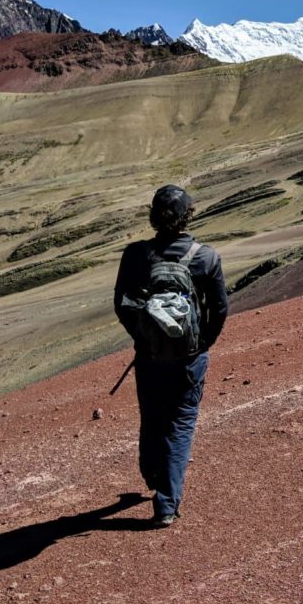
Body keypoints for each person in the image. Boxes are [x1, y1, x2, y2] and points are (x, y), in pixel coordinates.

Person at [114, 185, 228, 528]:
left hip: (149, 357)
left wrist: (144, 337)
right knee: (180, 425)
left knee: (152, 416)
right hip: (189, 359)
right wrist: (201, 343)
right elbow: (220, 309)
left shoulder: (136, 255)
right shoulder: (205, 257)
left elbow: (122, 304)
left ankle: (152, 474)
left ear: (153, 217)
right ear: (188, 216)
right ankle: (165, 504)